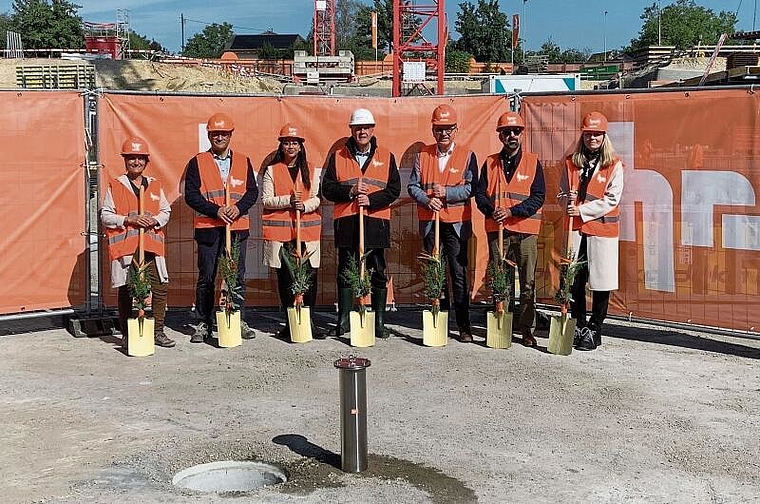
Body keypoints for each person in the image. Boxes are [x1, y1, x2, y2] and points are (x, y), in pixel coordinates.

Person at [322, 108, 401, 339]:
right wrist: (351, 191)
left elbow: (394, 189)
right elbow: (327, 189)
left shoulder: (386, 156)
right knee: (346, 271)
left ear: (373, 129)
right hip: (347, 221)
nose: (362, 132)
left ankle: (378, 322)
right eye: (358, 128)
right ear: (351, 130)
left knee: (378, 270)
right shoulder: (338, 156)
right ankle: (344, 320)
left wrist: (372, 199)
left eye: (366, 127)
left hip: (376, 222)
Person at [184, 113, 259, 342]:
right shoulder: (197, 162)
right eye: (215, 133)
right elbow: (191, 195)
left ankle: (237, 318)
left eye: (224, 133)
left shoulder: (244, 161)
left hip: (236, 228)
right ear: (209, 135)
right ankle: (203, 323)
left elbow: (252, 192)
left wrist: (237, 208)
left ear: (230, 135)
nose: (219, 137)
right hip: (209, 228)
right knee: (207, 277)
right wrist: (215, 211)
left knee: (236, 277)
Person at [408, 104, 478, 342]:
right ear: (433, 130)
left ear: (455, 129)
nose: (443, 133)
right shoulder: (422, 155)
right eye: (439, 129)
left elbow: (471, 188)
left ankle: (464, 326)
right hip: (430, 223)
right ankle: (440, 321)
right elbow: (412, 186)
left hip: (456, 225)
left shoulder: (467, 155)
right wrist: (428, 201)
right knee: (435, 273)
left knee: (458, 275)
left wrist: (446, 192)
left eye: (448, 128)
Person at [475, 111, 545, 347]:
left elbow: (538, 197)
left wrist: (513, 212)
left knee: (527, 282)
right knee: (500, 280)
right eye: (506, 132)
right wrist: (491, 210)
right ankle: (501, 322)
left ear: (522, 134)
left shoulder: (533, 162)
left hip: (525, 230)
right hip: (498, 230)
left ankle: (526, 328)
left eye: (516, 131)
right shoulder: (489, 163)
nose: (511, 136)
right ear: (500, 136)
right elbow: (480, 195)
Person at [101, 137, 175, 349]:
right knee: (126, 290)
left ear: (146, 161)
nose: (136, 162)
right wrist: (128, 219)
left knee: (160, 288)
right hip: (127, 249)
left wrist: (155, 220)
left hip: (151, 247)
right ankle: (127, 334)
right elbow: (105, 215)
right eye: (131, 158)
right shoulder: (115, 186)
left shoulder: (154, 185)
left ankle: (158, 331)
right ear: (125, 160)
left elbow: (165, 211)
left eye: (140, 158)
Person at [561, 111, 624, 351]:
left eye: (597, 134)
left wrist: (582, 210)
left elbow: (612, 199)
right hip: (576, 231)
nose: (592, 138)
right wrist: (564, 202)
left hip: (601, 231)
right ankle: (578, 324)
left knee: (601, 284)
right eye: (588, 134)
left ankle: (595, 329)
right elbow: (561, 192)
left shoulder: (613, 165)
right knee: (575, 280)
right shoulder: (571, 162)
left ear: (604, 136)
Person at [261, 123, 324, 339]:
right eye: (287, 142)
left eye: (294, 143)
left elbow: (317, 197)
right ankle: (291, 324)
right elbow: (266, 200)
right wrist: (288, 201)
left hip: (307, 233)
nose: (291, 146)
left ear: (300, 146)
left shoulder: (311, 168)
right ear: (281, 145)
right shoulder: (271, 170)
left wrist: (304, 206)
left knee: (310, 277)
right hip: (282, 235)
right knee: (286, 278)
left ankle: (310, 321)